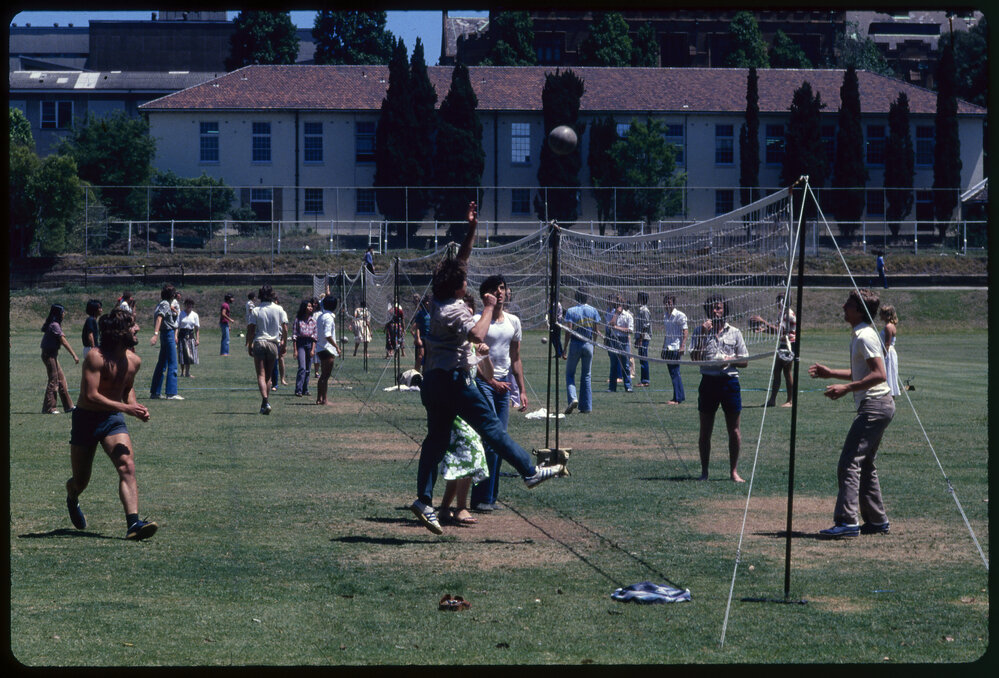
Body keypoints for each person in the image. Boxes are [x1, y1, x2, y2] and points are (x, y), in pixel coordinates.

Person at [411, 201, 563, 535]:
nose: (469, 283)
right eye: (464, 283)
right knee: (493, 430)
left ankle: (424, 501)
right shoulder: (453, 310)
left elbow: (461, 261)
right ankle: (529, 471)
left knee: (435, 440)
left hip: (434, 381)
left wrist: (472, 228)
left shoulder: (439, 294)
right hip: (453, 381)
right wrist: (488, 307)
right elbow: (477, 333)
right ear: (456, 289)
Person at [64, 308, 157, 540]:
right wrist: (127, 408)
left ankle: (133, 524)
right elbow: (90, 395)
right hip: (86, 419)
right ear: (119, 332)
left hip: (112, 419)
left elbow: (126, 389)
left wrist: (135, 407)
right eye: (133, 325)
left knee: (127, 465)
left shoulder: (134, 361)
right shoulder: (95, 357)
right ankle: (72, 496)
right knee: (81, 480)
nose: (137, 329)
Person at [808, 289, 894, 539]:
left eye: (848, 304)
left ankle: (847, 522)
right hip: (879, 405)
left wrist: (846, 388)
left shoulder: (865, 336)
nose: (843, 307)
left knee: (849, 461)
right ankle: (877, 521)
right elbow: (863, 372)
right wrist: (831, 373)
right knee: (864, 463)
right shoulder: (862, 334)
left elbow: (879, 374)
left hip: (875, 405)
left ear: (858, 310)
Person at [469, 274, 529, 513]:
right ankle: (480, 498)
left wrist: (521, 390)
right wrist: (491, 380)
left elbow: (516, 358)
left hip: (504, 386)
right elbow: (472, 356)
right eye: (495, 290)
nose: (500, 292)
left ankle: (491, 497)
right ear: (486, 295)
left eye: (502, 288)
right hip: (483, 382)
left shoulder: (513, 322)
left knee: (500, 441)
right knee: (489, 441)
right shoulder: (478, 320)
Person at [689, 295, 748, 482]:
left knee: (734, 430)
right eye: (713, 308)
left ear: (725, 310)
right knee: (705, 430)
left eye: (719, 308)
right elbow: (695, 358)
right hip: (708, 382)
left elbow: (745, 360)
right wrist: (703, 336)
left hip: (729, 383)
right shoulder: (699, 331)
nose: (716, 311)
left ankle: (734, 472)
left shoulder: (735, 332)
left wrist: (730, 360)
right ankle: (704, 472)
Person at [245, 284, 288, 415]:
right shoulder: (279, 309)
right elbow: (285, 328)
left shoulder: (256, 310)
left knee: (261, 375)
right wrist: (284, 343)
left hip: (259, 342)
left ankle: (265, 401)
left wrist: (249, 344)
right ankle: (266, 402)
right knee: (268, 377)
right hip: (273, 343)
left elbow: (251, 330)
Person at [751, 294, 797, 408]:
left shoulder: (788, 314)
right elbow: (778, 332)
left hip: (788, 345)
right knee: (777, 371)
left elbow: (780, 330)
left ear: (783, 302)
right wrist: (763, 330)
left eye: (778, 301)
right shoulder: (782, 313)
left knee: (787, 372)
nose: (776, 304)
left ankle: (790, 401)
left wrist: (763, 321)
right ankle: (772, 400)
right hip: (782, 343)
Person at [562, 287, 602, 415]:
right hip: (588, 344)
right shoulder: (593, 310)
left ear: (576, 297)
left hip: (575, 344)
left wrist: (565, 348)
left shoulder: (571, 311)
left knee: (570, 374)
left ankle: (573, 398)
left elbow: (569, 331)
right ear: (587, 297)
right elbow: (596, 331)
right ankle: (586, 406)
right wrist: (594, 345)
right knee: (586, 375)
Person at [40, 304, 79, 414]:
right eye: (63, 312)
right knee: (53, 380)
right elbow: (63, 341)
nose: (64, 314)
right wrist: (74, 355)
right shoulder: (54, 325)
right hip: (49, 355)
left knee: (61, 380)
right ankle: (49, 408)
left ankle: (69, 406)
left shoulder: (55, 325)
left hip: (53, 355)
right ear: (58, 313)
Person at [149, 284, 183, 400]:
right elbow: (160, 317)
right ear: (172, 295)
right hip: (167, 333)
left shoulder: (163, 303)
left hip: (166, 334)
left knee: (162, 364)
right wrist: (155, 334)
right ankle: (171, 393)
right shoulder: (165, 304)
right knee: (173, 363)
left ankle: (155, 392)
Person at [661, 294, 688, 405]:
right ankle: (679, 396)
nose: (668, 304)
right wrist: (663, 348)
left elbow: (685, 332)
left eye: (670, 302)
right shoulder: (665, 316)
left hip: (676, 347)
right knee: (673, 373)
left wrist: (682, 346)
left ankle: (677, 398)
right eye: (666, 302)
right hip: (668, 347)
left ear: (673, 303)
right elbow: (667, 334)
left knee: (675, 372)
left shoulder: (680, 315)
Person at [315, 295, 340, 406]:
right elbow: (328, 335)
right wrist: (337, 346)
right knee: (325, 376)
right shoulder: (329, 318)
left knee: (322, 376)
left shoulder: (321, 316)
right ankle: (324, 400)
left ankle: (319, 398)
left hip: (320, 348)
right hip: (327, 349)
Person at [607, 295, 634, 393]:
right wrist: (616, 314)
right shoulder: (611, 314)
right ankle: (612, 387)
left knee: (625, 365)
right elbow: (610, 325)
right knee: (613, 364)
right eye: (616, 303)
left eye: (619, 303)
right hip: (613, 339)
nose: (618, 305)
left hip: (624, 340)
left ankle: (628, 386)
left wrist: (617, 328)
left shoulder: (628, 316)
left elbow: (630, 330)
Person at [293, 299, 318, 397]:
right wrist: (295, 350)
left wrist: (312, 350)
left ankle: (305, 389)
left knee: (308, 368)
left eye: (311, 306)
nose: (310, 308)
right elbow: (294, 335)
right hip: (301, 344)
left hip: (310, 344)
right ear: (304, 307)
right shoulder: (298, 320)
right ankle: (298, 389)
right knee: (302, 367)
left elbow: (315, 337)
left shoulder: (313, 321)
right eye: (308, 306)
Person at [879, 305, 901, 397]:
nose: (880, 315)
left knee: (889, 373)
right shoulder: (890, 326)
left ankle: (889, 395)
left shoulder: (888, 327)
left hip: (888, 353)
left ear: (887, 315)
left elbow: (887, 344)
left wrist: (882, 357)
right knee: (889, 373)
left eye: (882, 314)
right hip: (889, 351)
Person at [177, 298, 200, 378]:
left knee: (189, 355)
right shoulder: (181, 314)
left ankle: (187, 372)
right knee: (182, 355)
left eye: (190, 304)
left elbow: (197, 329)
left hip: (190, 336)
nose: (189, 306)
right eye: (187, 304)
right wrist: (175, 337)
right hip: (182, 336)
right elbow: (177, 326)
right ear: (185, 305)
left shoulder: (195, 315)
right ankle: (182, 372)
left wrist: (197, 339)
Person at [635, 292, 652, 387]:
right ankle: (643, 379)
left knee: (644, 358)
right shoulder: (640, 310)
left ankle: (645, 380)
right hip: (640, 337)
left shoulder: (644, 310)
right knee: (641, 359)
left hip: (644, 338)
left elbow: (645, 325)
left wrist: (640, 338)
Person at [411, 294, 432, 370]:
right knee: (420, 356)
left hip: (430, 339)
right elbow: (417, 327)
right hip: (422, 338)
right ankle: (416, 373)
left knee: (428, 359)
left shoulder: (432, 313)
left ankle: (425, 375)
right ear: (426, 303)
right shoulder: (420, 313)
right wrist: (418, 338)